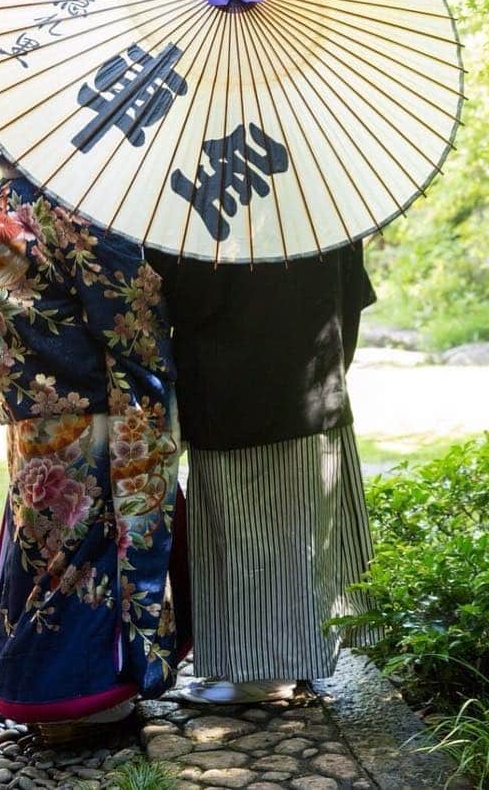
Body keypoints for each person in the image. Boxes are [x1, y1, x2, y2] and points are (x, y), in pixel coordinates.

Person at [0, 156, 190, 740]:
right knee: (92, 552)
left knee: (43, 548)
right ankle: (86, 703)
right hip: (96, 416)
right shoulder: (77, 212)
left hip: (31, 421)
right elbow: (130, 318)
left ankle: (38, 693)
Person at [147, 244, 377, 704]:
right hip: (314, 390)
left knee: (247, 535)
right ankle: (299, 658)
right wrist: (332, 371)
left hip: (230, 397)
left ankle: (258, 674)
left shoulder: (199, 200)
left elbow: (178, 301)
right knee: (305, 533)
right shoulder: (320, 194)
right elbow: (351, 296)